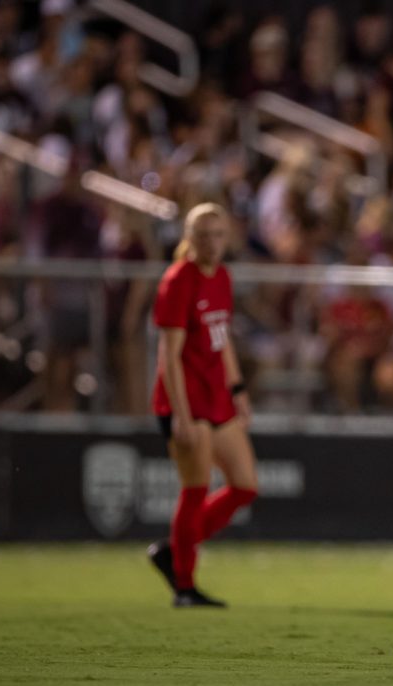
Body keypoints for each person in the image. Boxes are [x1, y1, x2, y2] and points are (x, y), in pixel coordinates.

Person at [147, 203, 258, 608]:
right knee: (195, 489)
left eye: (218, 235)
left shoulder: (222, 276)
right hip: (186, 401)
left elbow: (220, 338)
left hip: (215, 396)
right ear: (189, 239)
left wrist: (237, 387)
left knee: (244, 486)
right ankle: (184, 586)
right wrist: (179, 413)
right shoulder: (178, 280)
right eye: (204, 235)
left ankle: (174, 552)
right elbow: (168, 355)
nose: (212, 243)